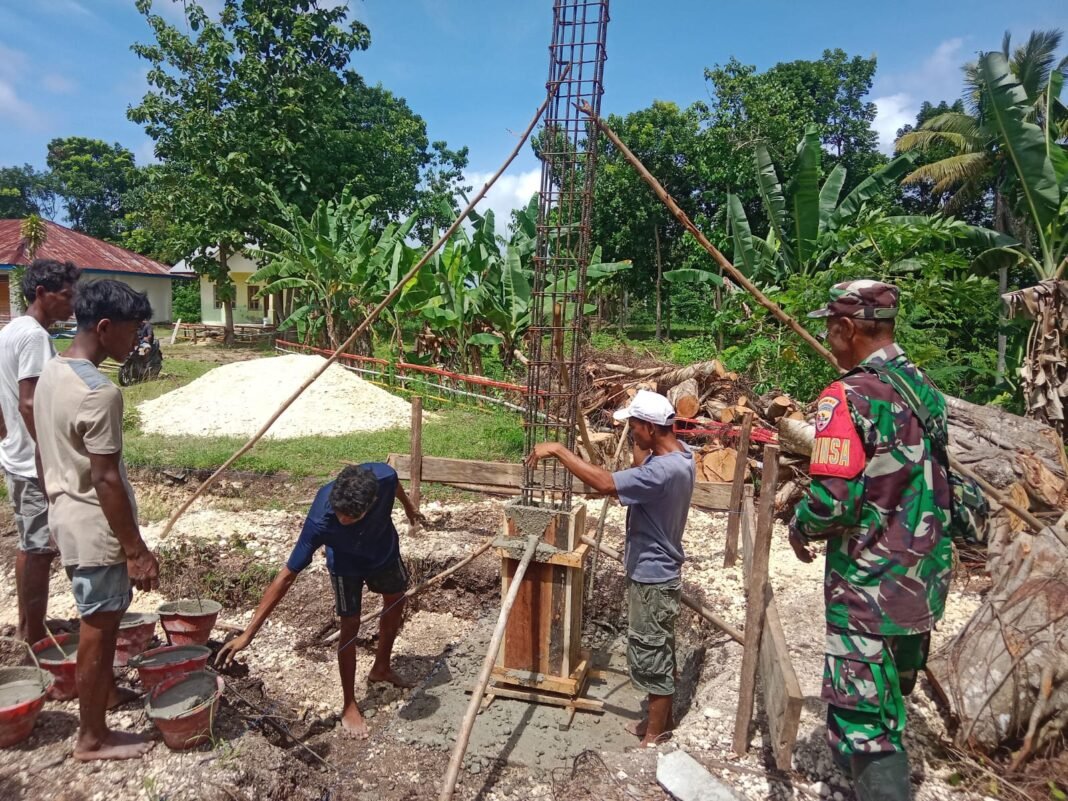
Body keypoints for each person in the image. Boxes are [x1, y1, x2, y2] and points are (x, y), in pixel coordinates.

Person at [788, 280, 953, 801]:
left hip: (869, 591)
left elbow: (833, 503)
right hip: (922, 581)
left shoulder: (847, 396)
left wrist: (799, 524)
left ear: (847, 328)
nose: (829, 339)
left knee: (866, 723)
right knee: (890, 693)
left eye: (830, 329)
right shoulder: (922, 386)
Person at [34, 279, 160, 761]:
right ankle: (92, 737)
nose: (137, 340)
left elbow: (47, 448)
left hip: (65, 512)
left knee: (98, 616)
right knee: (99, 625)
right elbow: (106, 479)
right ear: (105, 328)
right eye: (132, 330)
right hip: (94, 525)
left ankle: (104, 696)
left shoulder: (52, 371)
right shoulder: (99, 392)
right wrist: (136, 550)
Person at [525, 389, 695, 747]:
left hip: (653, 576)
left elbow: (605, 484)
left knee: (651, 653)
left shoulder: (661, 472)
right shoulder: (682, 457)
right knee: (656, 647)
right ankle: (654, 720)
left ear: (650, 428)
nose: (630, 432)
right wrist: (640, 446)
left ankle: (655, 736)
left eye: (634, 427)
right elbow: (638, 475)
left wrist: (557, 449)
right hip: (658, 572)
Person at [217, 463, 427, 738]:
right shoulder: (321, 520)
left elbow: (395, 485)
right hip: (345, 563)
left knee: (396, 598)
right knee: (350, 624)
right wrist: (249, 633)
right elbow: (286, 577)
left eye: (350, 517)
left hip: (382, 550)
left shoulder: (384, 478)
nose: (342, 520)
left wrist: (409, 508)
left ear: (371, 502)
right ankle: (349, 703)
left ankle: (381, 667)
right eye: (338, 514)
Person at [0, 259, 78, 648]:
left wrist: (6, 438)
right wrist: (50, 456)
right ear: (42, 294)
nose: (72, 303)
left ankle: (27, 624)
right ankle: (33, 637)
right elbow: (30, 402)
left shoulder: (10, 329)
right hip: (33, 461)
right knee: (40, 550)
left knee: (29, 544)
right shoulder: (34, 337)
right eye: (65, 296)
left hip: (15, 453)